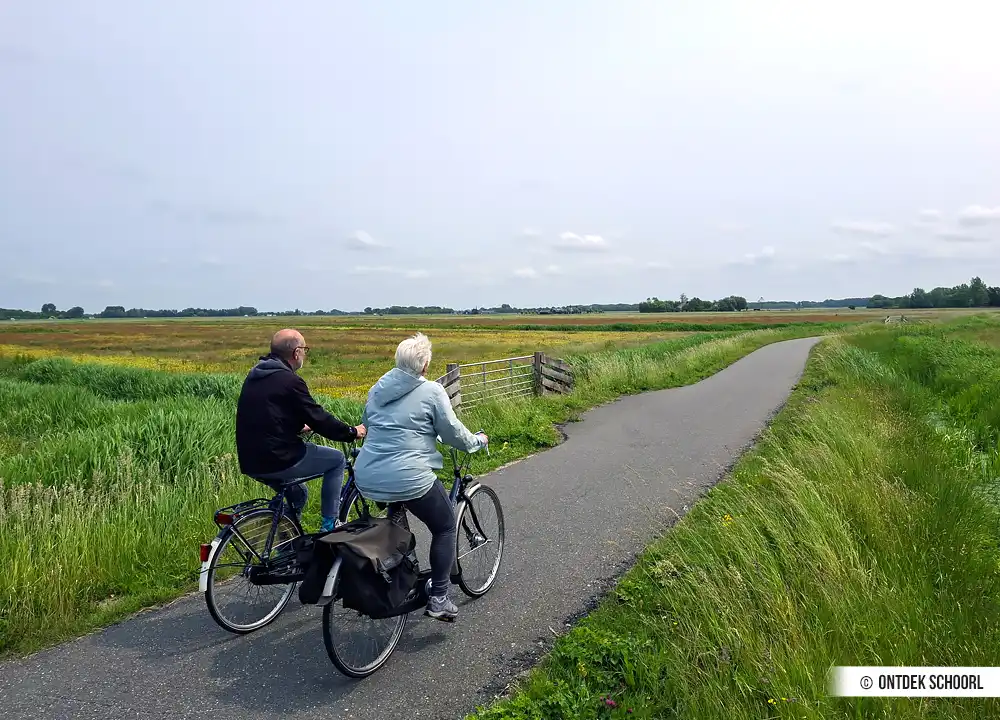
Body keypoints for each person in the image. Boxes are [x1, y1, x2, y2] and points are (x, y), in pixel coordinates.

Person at [353, 332, 487, 621]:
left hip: (368, 474)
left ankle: (404, 562)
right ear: (425, 364)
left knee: (397, 506)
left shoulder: (378, 389)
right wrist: (477, 442)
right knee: (445, 526)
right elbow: (452, 433)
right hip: (408, 475)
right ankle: (439, 597)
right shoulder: (432, 391)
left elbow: (371, 423)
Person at [235, 328, 366, 532]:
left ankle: (284, 547)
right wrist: (351, 432)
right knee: (337, 460)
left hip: (250, 459)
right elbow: (319, 417)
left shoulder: (255, 375)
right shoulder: (290, 380)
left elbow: (268, 415)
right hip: (278, 457)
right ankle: (331, 525)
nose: (305, 353)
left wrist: (297, 426)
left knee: (298, 494)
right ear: (296, 352)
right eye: (305, 349)